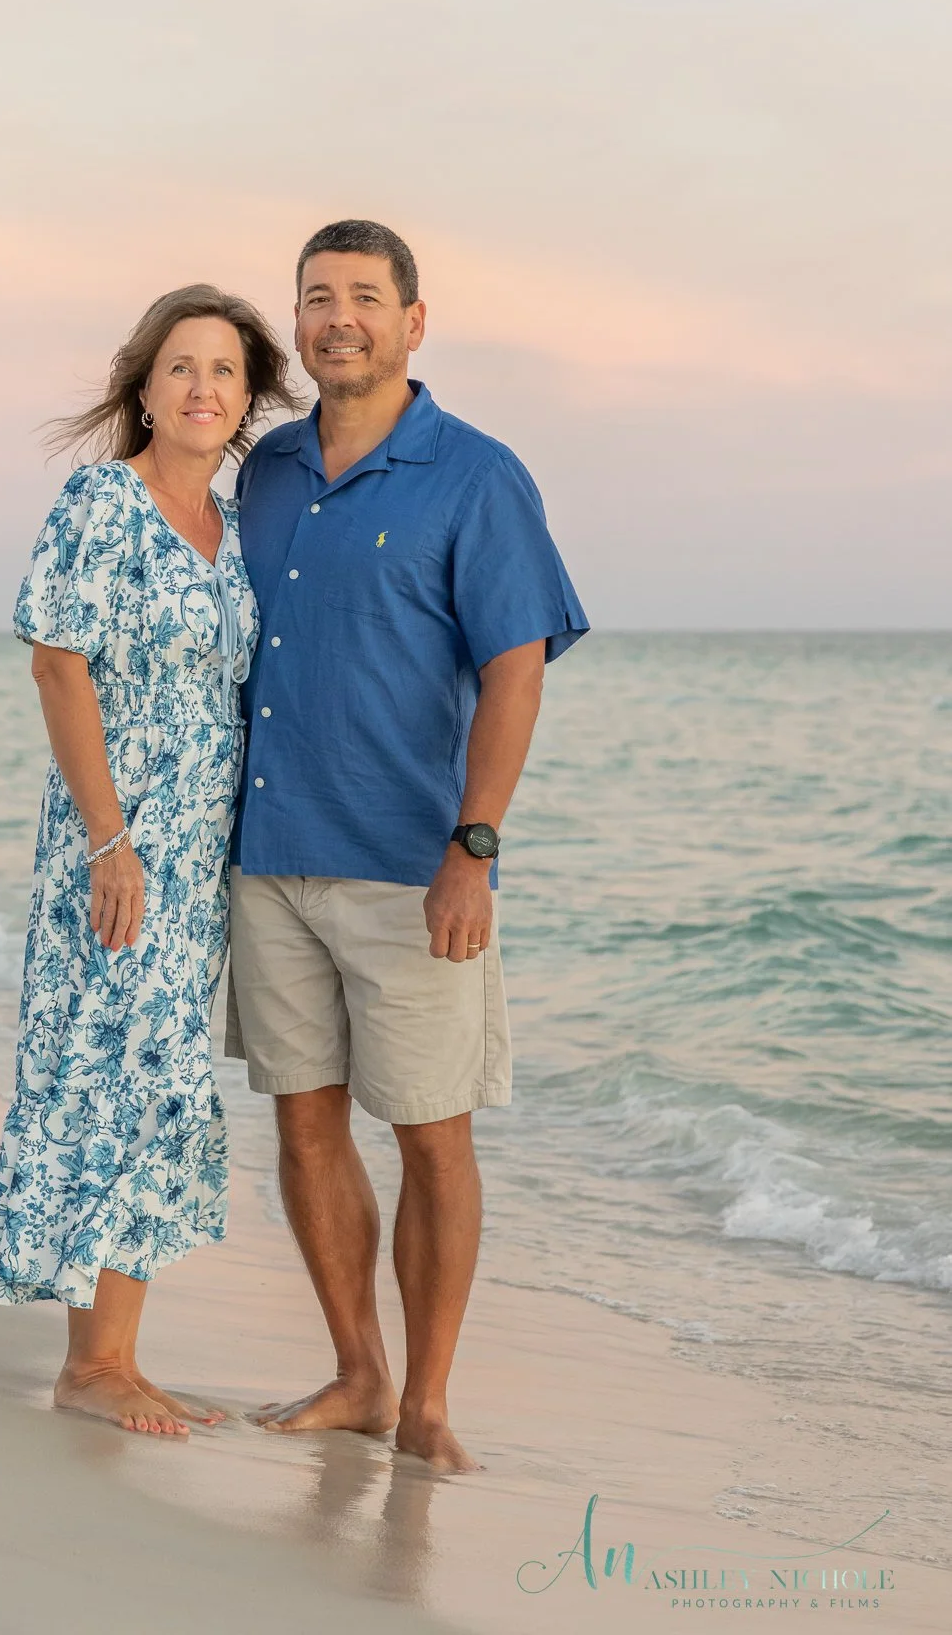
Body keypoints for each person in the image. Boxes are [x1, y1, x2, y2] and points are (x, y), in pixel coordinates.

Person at [226, 219, 588, 1473]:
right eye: (317, 297)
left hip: (408, 865)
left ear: (413, 322)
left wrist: (472, 847)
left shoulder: (475, 475)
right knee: (303, 1119)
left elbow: (514, 672)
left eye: (365, 298)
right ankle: (357, 1373)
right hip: (264, 855)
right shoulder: (264, 469)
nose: (339, 318)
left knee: (432, 1129)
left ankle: (427, 1396)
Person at [0, 284, 301, 1439]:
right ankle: (88, 1363)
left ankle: (119, 1353)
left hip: (196, 860)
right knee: (101, 1079)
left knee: (162, 1084)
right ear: (144, 388)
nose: (203, 389)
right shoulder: (102, 502)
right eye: (180, 368)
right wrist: (111, 842)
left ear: (246, 397)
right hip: (113, 848)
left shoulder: (230, 533)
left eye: (223, 371)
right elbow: (57, 667)